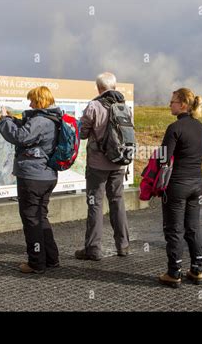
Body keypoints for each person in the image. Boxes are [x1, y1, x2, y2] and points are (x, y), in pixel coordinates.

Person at [0, 86, 62, 273]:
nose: (29, 103)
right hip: (47, 175)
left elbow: (19, 136)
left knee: (31, 220)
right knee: (40, 218)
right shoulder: (52, 119)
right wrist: (11, 119)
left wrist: (3, 121)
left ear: (40, 101)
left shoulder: (41, 120)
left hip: (33, 177)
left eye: (32, 100)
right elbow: (27, 132)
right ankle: (51, 259)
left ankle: (36, 263)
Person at [75, 72, 130, 261]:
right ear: (115, 86)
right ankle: (123, 245)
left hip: (97, 165)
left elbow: (82, 134)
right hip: (119, 163)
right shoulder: (124, 106)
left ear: (98, 88)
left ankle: (93, 248)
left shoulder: (94, 106)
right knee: (117, 201)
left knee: (95, 204)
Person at [158, 88, 202, 288]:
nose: (170, 104)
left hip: (177, 184)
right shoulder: (201, 127)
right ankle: (197, 269)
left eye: (173, 102)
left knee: (174, 229)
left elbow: (163, 158)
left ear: (184, 105)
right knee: (193, 226)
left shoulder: (174, 127)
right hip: (197, 183)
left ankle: (174, 272)